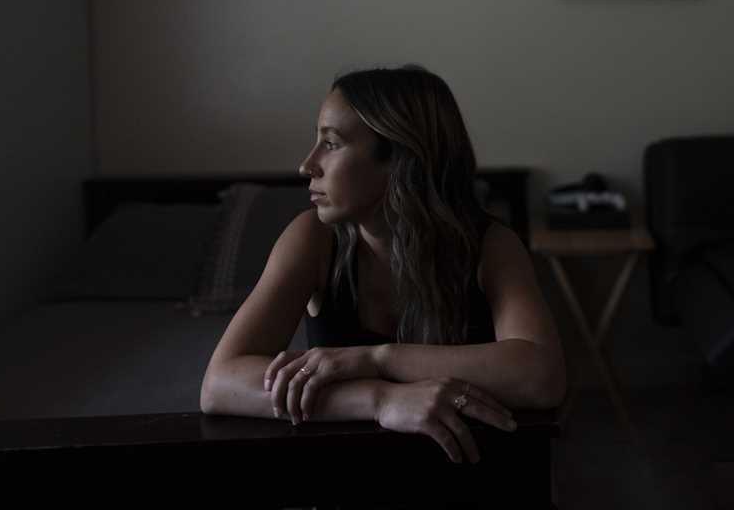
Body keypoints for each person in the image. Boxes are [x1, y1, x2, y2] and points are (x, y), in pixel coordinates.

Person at [200, 65, 566, 468]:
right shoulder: (313, 239)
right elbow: (220, 384)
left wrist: (377, 359)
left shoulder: (491, 245)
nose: (307, 165)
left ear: (399, 158)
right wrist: (381, 398)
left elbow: (542, 377)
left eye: (331, 143)